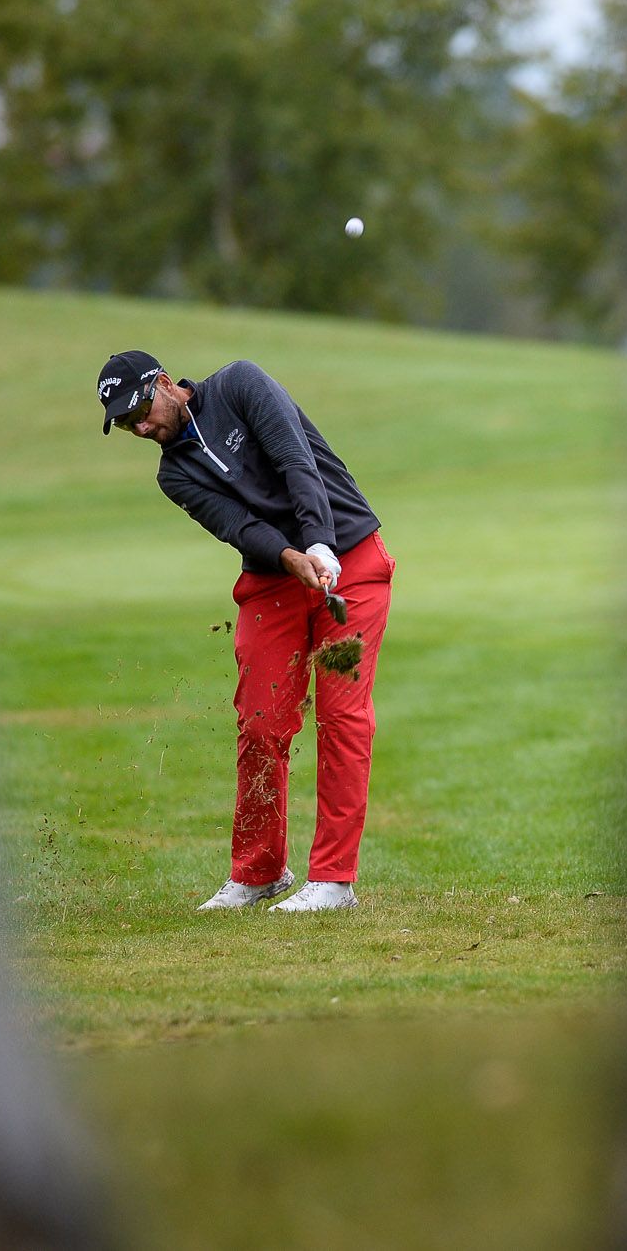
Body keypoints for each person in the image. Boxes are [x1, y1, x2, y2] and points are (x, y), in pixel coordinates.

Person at [97, 350, 395, 913]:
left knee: (342, 716)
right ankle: (260, 873)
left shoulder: (239, 385)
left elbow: (295, 460)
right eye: (128, 424)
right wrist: (291, 557)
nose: (141, 428)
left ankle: (333, 880)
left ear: (165, 383)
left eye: (141, 411)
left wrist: (319, 542)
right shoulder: (173, 474)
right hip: (274, 579)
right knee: (261, 721)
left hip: (349, 561)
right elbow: (238, 525)